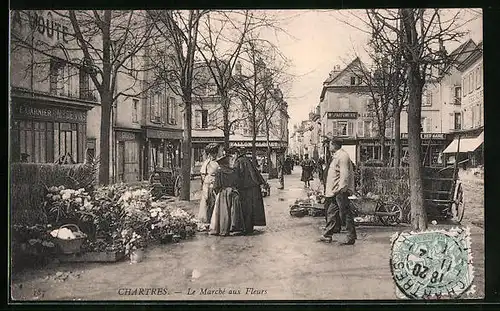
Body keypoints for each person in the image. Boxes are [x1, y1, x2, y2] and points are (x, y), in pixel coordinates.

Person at [320, 138, 356, 245]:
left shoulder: (343, 156)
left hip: (340, 191)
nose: (329, 147)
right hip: (334, 191)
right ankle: (328, 235)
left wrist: (342, 189)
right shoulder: (337, 156)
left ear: (334, 145)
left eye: (330, 145)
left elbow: (344, 174)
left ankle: (351, 236)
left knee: (345, 213)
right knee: (331, 212)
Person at [231, 148, 266, 234]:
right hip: (253, 187)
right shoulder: (247, 160)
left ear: (236, 153)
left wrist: (234, 185)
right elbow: (256, 173)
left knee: (245, 208)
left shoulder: (238, 161)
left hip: (244, 188)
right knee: (251, 208)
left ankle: (245, 228)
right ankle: (249, 227)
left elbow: (236, 175)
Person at [209, 154, 245, 236]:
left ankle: (223, 229)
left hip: (224, 192)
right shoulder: (233, 171)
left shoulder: (219, 172)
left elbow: (216, 185)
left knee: (223, 212)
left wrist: (216, 191)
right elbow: (238, 182)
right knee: (233, 211)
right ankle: (234, 228)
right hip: (233, 191)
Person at [198, 143, 220, 225]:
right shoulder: (207, 163)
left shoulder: (218, 162)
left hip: (217, 182)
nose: (214, 155)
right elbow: (203, 174)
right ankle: (207, 219)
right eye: (212, 153)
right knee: (207, 200)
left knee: (215, 201)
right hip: (208, 183)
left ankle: (214, 219)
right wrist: (206, 182)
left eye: (215, 153)